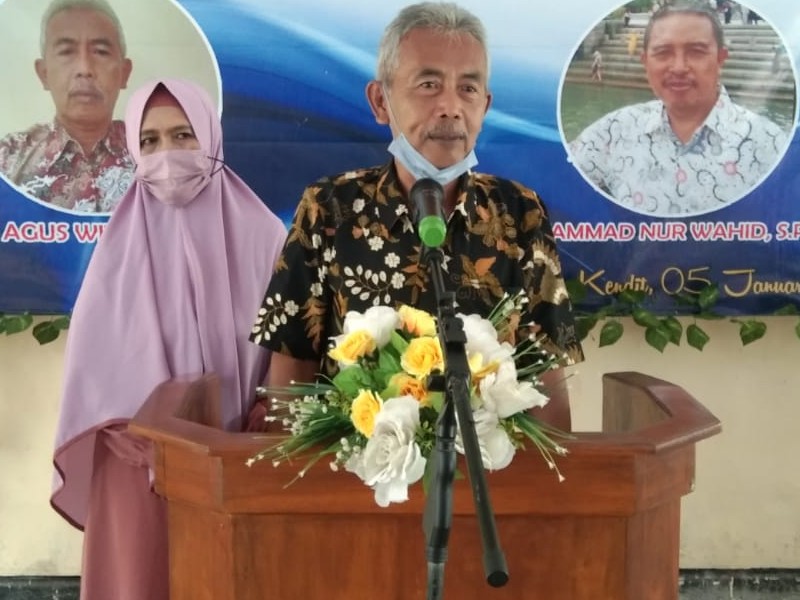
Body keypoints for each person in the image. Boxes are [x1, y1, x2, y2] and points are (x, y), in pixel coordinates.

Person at [249, 1, 584, 433]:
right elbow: (291, 375)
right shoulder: (329, 208)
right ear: (380, 101)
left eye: (468, 88)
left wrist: (554, 474)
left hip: (490, 469)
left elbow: (546, 375)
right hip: (354, 470)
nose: (450, 107)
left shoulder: (520, 212)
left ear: (485, 105)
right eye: (428, 84)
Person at [51, 79, 286, 599]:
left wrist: (260, 421)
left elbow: (289, 345)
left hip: (239, 460)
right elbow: (95, 368)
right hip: (136, 461)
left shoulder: (267, 236)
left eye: (183, 135)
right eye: (150, 141)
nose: (168, 155)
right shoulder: (118, 246)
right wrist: (141, 438)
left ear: (211, 137)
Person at [569, 1, 788, 216]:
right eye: (663, 52)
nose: (679, 67)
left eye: (696, 51)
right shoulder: (613, 132)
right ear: (645, 62)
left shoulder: (771, 145)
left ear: (720, 59)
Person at [0, 0, 133, 212]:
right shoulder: (8, 159)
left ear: (124, 73)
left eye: (100, 51)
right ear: (44, 73)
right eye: (66, 52)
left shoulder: (155, 153)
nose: (84, 68)